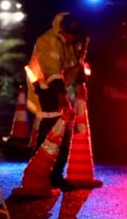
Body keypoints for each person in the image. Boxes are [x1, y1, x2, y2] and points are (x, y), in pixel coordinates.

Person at [25, 11, 88, 189]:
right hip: (44, 90)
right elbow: (52, 72)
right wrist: (61, 96)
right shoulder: (49, 41)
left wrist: (79, 83)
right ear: (62, 29)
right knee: (50, 132)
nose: (71, 39)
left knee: (63, 133)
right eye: (70, 34)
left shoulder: (69, 42)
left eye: (75, 36)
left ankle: (54, 175)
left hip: (59, 89)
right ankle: (39, 173)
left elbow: (72, 66)